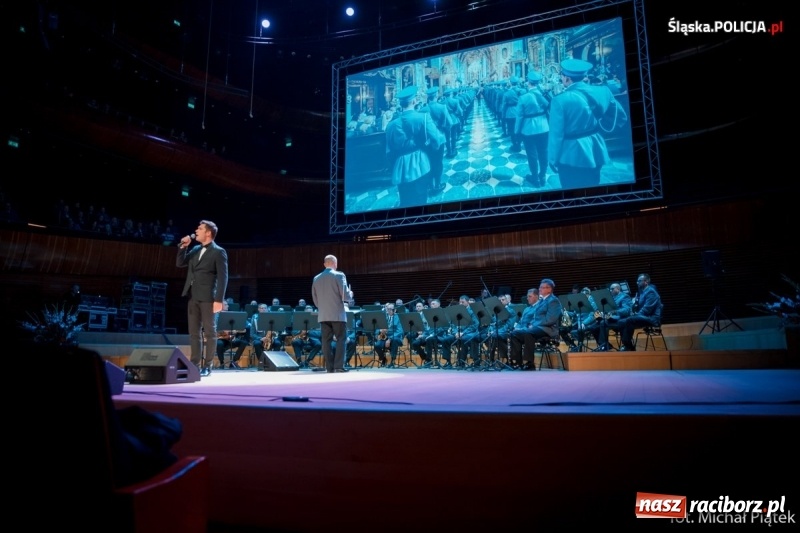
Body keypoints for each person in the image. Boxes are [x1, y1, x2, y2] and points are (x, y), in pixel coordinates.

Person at [547, 58, 628, 190]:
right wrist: (599, 127)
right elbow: (621, 117)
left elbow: (556, 135)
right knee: (593, 186)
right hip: (596, 147)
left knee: (572, 191)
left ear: (567, 78)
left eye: (562, 76)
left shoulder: (559, 100)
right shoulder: (604, 91)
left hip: (572, 154)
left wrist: (553, 160)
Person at [177, 220, 228, 377]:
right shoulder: (195, 249)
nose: (196, 230)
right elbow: (180, 263)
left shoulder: (219, 252)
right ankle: (194, 364)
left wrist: (219, 300)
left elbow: (223, 277)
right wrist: (183, 247)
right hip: (193, 296)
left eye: (199, 228)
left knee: (210, 333)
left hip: (208, 298)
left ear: (208, 233)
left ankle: (208, 365)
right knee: (194, 333)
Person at [384, 86, 446, 208]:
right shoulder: (423, 117)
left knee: (405, 201)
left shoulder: (390, 125)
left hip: (400, 167)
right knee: (421, 198)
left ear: (401, 104)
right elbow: (436, 140)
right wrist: (431, 151)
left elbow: (389, 152)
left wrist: (393, 166)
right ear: (414, 101)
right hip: (420, 163)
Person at [311, 255, 353, 373]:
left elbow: (314, 298)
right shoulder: (339, 275)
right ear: (335, 263)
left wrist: (322, 308)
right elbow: (345, 295)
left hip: (323, 315)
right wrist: (351, 295)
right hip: (337, 314)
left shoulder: (316, 278)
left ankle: (329, 368)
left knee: (326, 341)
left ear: (325, 264)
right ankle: (339, 366)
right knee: (341, 339)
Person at [509, 280, 562, 370]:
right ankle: (517, 362)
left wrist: (534, 325)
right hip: (538, 328)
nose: (540, 289)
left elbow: (550, 319)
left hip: (548, 329)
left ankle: (529, 363)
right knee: (514, 334)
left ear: (549, 289)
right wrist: (532, 325)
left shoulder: (554, 301)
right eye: (540, 287)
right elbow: (535, 318)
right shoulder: (542, 301)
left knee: (528, 333)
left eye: (542, 287)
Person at [515, 70, 550, 187]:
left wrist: (517, 131)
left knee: (532, 154)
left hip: (529, 129)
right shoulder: (543, 94)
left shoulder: (523, 98)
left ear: (528, 82)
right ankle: (543, 176)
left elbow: (519, 117)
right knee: (544, 152)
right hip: (544, 127)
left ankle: (535, 178)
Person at [615, 274, 663, 351]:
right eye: (637, 281)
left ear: (646, 281)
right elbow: (638, 307)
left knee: (629, 320)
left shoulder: (651, 292)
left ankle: (628, 346)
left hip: (652, 318)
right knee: (621, 322)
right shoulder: (642, 292)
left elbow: (647, 309)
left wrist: (635, 315)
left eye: (639, 281)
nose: (637, 283)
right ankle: (628, 345)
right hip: (644, 316)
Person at [592, 282, 634, 351]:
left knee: (603, 323)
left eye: (612, 289)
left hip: (621, 319)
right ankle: (605, 345)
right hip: (611, 318)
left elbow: (626, 310)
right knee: (593, 327)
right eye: (610, 289)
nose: (610, 290)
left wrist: (615, 311)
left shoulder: (624, 296)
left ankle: (604, 346)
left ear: (617, 289)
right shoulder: (611, 298)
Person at [373, 302, 404, 367]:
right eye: (387, 309)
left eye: (390, 309)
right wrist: (380, 330)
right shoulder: (384, 317)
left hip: (396, 337)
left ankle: (392, 361)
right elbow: (377, 328)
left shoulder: (398, 318)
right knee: (377, 346)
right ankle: (383, 358)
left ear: (394, 310)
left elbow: (400, 331)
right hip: (385, 337)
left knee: (394, 340)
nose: (388, 310)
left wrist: (390, 339)